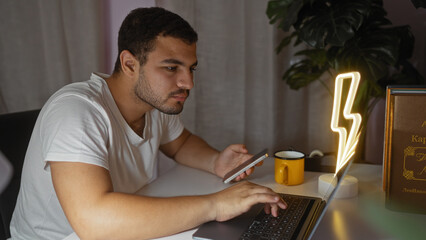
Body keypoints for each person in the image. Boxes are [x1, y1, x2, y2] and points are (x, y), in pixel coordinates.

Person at [10, 7, 286, 240]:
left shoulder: (154, 104)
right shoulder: (76, 111)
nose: (188, 83)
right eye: (171, 68)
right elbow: (92, 221)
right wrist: (215, 205)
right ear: (130, 64)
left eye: (191, 68)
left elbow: (180, 145)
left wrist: (216, 161)